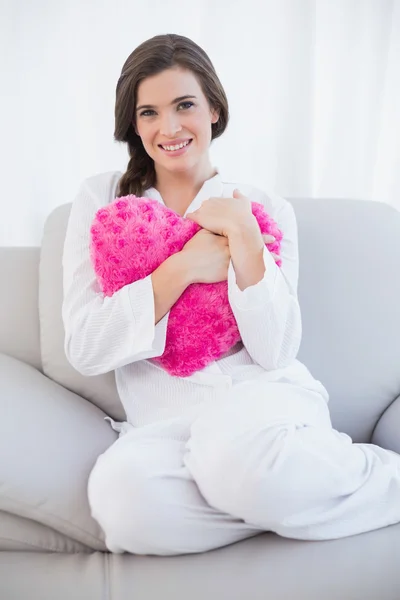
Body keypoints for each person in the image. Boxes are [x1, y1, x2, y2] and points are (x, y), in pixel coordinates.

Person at [62, 33, 400, 557]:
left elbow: (277, 350)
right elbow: (86, 348)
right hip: (167, 423)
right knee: (122, 504)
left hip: (260, 401)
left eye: (184, 105)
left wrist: (245, 240)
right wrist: (179, 269)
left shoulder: (263, 208)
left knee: (234, 457)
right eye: (148, 112)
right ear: (133, 123)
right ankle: (280, 497)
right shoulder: (103, 202)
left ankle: (375, 482)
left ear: (215, 109)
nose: (168, 128)